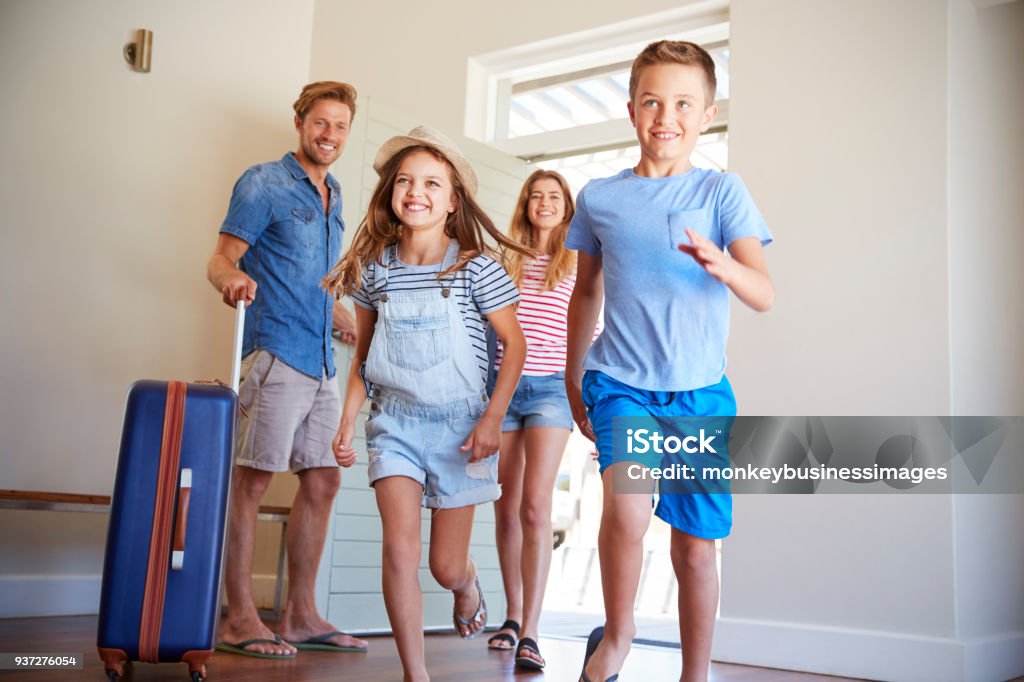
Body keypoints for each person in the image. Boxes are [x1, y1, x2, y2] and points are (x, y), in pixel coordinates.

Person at [564, 41, 775, 682]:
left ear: (706, 114)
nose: (666, 115)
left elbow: (764, 291)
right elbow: (586, 293)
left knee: (695, 548)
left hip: (700, 395)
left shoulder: (721, 191)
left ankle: (695, 672)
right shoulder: (601, 197)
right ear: (631, 110)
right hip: (622, 382)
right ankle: (619, 637)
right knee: (626, 506)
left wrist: (725, 264)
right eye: (653, 101)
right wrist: (576, 380)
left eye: (684, 103)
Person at [324, 126, 530, 682]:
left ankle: (467, 585)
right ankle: (416, 675)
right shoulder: (376, 270)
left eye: (432, 183)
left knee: (442, 566)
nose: (417, 192)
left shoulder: (476, 269)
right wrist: (347, 421)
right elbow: (364, 356)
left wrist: (492, 420)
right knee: (398, 550)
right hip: (394, 425)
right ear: (392, 192)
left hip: (463, 428)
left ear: (453, 200)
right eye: (406, 181)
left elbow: (517, 347)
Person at [206, 81, 367, 659]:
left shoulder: (336, 192)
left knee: (323, 479)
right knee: (249, 483)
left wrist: (341, 313)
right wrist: (231, 279)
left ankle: (299, 614)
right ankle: (237, 616)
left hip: (322, 360)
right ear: (300, 123)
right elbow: (221, 257)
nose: (330, 134)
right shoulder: (264, 182)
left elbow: (314, 276)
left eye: (341, 125)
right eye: (321, 122)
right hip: (274, 354)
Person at [486, 170, 584, 671]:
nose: (544, 203)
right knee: (505, 507)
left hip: (551, 389)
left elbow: (587, 331)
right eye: (536, 196)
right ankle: (511, 613)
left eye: (554, 197)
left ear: (566, 206)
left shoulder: (577, 261)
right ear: (525, 204)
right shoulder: (504, 259)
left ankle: (532, 631)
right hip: (505, 386)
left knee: (534, 507)